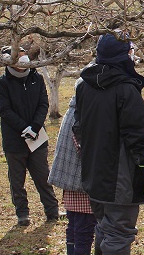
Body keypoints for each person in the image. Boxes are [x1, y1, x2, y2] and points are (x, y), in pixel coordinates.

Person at [73, 31, 144, 255]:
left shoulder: (84, 85)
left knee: (105, 228)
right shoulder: (125, 89)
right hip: (119, 179)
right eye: (130, 51)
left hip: (93, 175)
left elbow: (78, 128)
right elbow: (138, 135)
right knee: (119, 234)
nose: (133, 55)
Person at [0, 45, 59, 226]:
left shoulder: (36, 78)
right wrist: (24, 128)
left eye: (24, 56)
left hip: (37, 138)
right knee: (17, 181)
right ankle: (22, 213)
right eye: (18, 56)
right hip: (14, 140)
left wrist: (35, 127)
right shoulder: (2, 83)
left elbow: (43, 104)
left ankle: (52, 210)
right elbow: (4, 110)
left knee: (43, 176)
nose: (23, 60)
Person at [49, 80, 97, 255]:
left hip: (71, 179)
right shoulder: (82, 114)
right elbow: (84, 148)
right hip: (80, 181)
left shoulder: (73, 109)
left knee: (75, 227)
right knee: (83, 229)